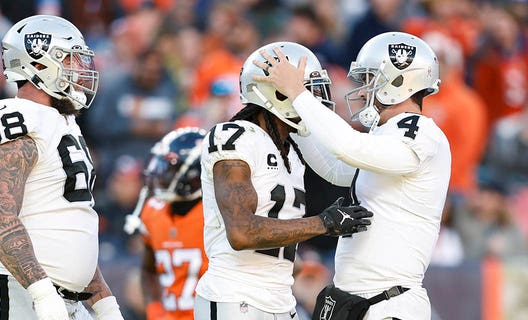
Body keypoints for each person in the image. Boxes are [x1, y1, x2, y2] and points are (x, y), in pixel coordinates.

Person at [255, 32, 450, 319]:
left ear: (398, 81)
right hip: (359, 302)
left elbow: (349, 148)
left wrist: (299, 95)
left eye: (370, 79)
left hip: (389, 303)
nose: (361, 91)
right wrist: (295, 119)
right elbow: (336, 168)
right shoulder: (386, 136)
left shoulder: (422, 132)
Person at [193, 41, 374, 320]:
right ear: (277, 93)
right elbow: (241, 232)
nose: (314, 100)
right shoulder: (234, 136)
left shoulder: (291, 146)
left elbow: (344, 167)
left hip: (280, 299)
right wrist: (323, 223)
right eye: (304, 90)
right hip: (235, 297)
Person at [0, 15, 123, 320]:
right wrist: (42, 294)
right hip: (19, 291)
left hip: (64, 299)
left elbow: (71, 228)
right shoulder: (14, 115)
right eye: (71, 60)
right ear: (38, 64)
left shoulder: (65, 122)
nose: (81, 69)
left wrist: (104, 303)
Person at [125, 127, 209, 320]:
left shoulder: (216, 216)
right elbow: (148, 270)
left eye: (169, 168)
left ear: (194, 174)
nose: (160, 174)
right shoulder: (153, 211)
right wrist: (154, 310)